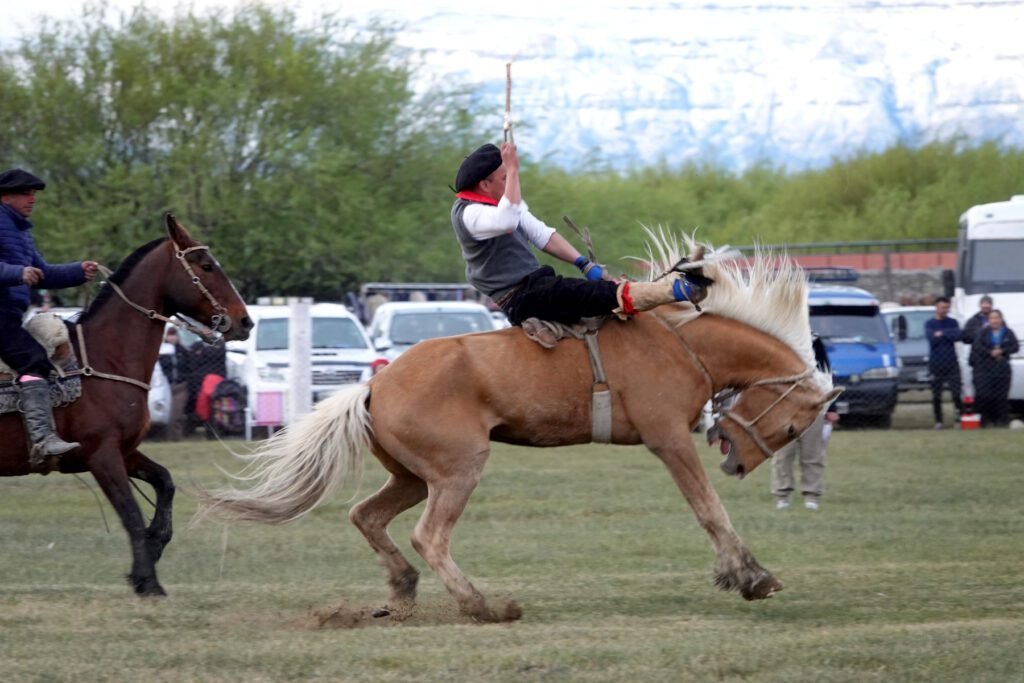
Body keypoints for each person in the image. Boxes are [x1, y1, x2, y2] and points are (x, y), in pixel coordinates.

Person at [450, 142, 706, 327]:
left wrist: (584, 264)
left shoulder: (505, 204)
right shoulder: (469, 214)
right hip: (522, 298)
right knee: (604, 295)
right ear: (484, 185)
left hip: (537, 286)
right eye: (504, 178)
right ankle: (676, 290)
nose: (512, 184)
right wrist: (514, 170)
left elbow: (542, 235)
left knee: (599, 294)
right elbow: (506, 220)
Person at [0, 168, 99, 465]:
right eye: (25, 193)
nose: (32, 199)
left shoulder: (21, 230)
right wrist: (17, 273)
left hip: (8, 314)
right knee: (33, 360)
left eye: (34, 194)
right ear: (5, 196)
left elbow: (43, 273)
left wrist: (77, 272)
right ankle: (43, 440)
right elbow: (24, 272)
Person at [772, 334, 837, 511]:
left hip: (813, 405)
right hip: (784, 407)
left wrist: (832, 408)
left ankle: (812, 494)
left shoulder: (814, 340)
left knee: (812, 453)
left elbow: (826, 373)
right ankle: (782, 494)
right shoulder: (778, 337)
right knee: (783, 453)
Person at [969, 309, 1018, 427]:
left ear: (1001, 319)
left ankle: (1001, 421)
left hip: (1002, 369)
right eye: (992, 318)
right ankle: (985, 421)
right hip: (986, 369)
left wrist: (1003, 351)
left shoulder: (1008, 332)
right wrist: (990, 352)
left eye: (997, 318)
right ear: (988, 320)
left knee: (1001, 396)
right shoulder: (983, 332)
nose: (995, 321)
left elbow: (1015, 346)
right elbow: (977, 346)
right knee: (985, 395)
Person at [924, 296, 963, 429]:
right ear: (936, 307)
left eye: (946, 308)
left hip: (952, 363)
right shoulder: (930, 323)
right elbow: (931, 339)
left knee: (957, 393)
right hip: (936, 364)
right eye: (942, 307)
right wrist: (946, 335)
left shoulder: (953, 322)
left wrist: (942, 333)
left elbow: (957, 336)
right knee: (936, 395)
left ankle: (959, 419)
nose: (944, 310)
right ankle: (939, 421)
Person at [158, 327, 190, 441]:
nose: (172, 337)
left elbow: (189, 367)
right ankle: (164, 436)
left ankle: (175, 437)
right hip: (164, 387)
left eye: (174, 335)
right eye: (170, 335)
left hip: (180, 386)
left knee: (176, 414)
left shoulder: (183, 351)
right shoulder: (161, 351)